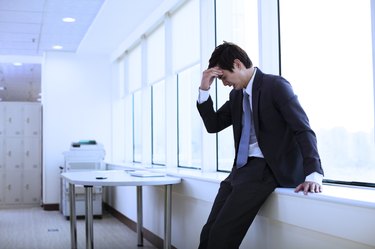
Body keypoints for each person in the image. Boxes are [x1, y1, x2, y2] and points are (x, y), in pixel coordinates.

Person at [196, 42, 324, 249]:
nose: (224, 83)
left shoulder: (276, 86)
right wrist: (204, 88)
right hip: (240, 170)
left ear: (237, 64)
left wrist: (314, 173)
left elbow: (303, 129)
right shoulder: (237, 95)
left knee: (222, 236)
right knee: (209, 232)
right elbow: (214, 125)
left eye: (223, 77)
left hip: (265, 169)